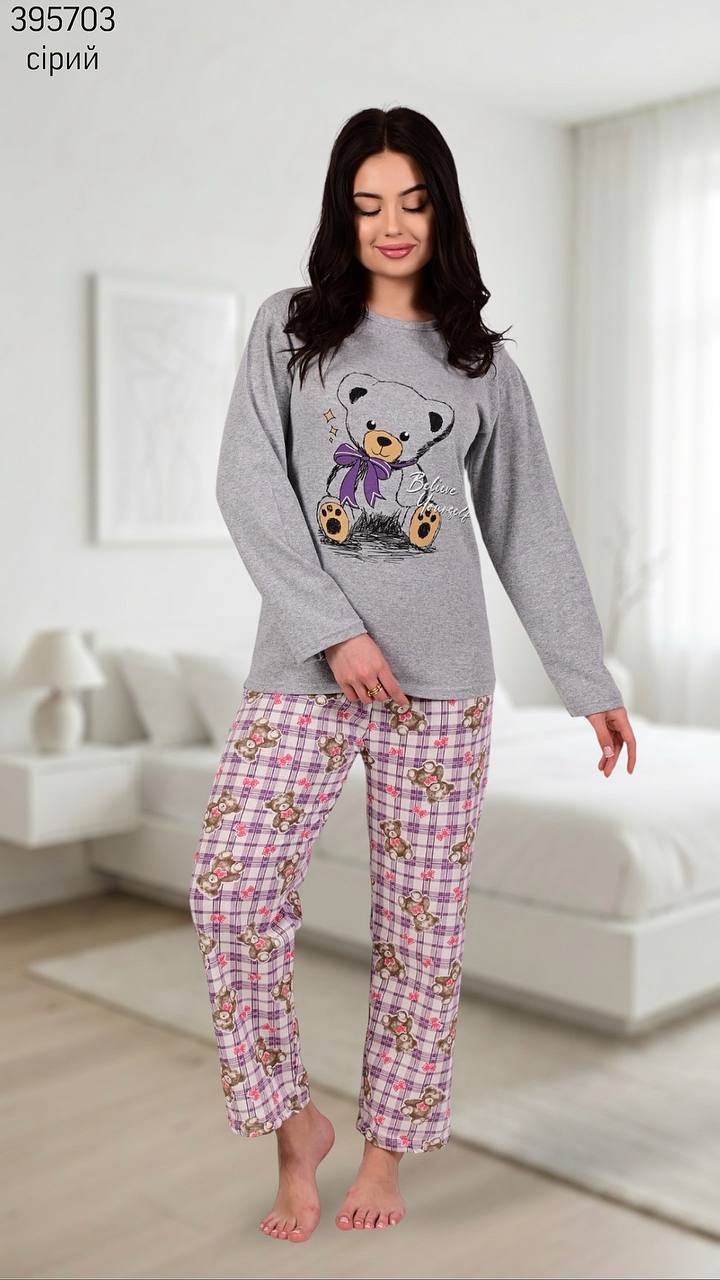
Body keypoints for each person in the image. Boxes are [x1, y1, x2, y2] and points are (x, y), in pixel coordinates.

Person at [188, 105, 637, 1245]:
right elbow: (250, 487)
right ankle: (293, 1124)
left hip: (444, 688)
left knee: (422, 930)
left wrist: (586, 679)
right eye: (368, 204)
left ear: (442, 210)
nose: (391, 224)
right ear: (344, 216)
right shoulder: (292, 330)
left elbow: (529, 528)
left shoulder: (479, 364)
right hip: (305, 672)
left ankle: (386, 1147)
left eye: (413, 201)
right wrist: (335, 631)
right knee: (231, 887)